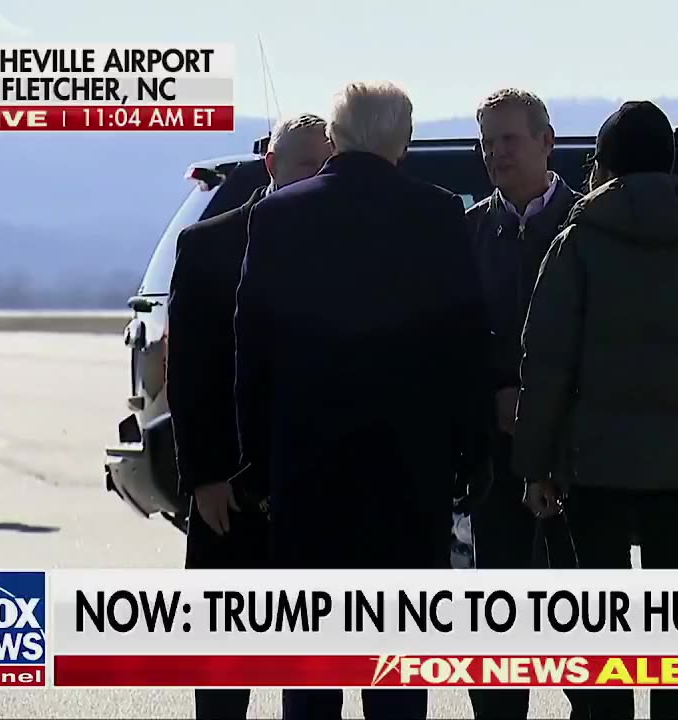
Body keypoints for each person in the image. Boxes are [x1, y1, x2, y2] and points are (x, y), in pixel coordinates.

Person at [231, 81, 490, 720]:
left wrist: (258, 463)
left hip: (307, 468)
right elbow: (464, 339)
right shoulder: (436, 214)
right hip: (410, 468)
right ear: (402, 140)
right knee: (397, 666)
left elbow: (253, 350)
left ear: (337, 137)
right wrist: (473, 450)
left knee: (313, 665)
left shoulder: (279, 215)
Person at [512, 100, 678, 720]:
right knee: (674, 617)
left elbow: (545, 361)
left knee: (600, 621)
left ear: (606, 165)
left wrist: (535, 464)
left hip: (595, 465)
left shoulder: (577, 244)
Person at [166, 112, 332, 720]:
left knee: (312, 668)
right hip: (229, 488)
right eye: (303, 164)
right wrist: (203, 475)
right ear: (272, 165)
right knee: (224, 662)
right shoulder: (209, 244)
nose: (315, 176)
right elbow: (190, 374)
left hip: (315, 484)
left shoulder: (345, 247)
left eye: (326, 164)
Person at [462, 87, 588, 720]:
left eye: (508, 140)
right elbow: (455, 335)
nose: (495, 154)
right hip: (497, 453)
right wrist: (492, 394)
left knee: (580, 617)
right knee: (499, 612)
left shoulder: (586, 225)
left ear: (547, 141)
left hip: (573, 453)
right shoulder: (470, 231)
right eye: (486, 143)